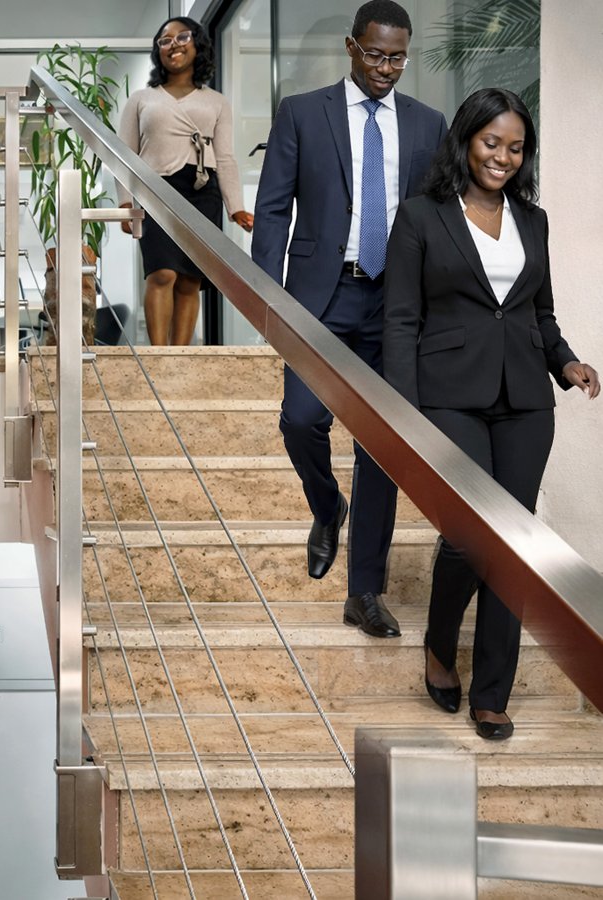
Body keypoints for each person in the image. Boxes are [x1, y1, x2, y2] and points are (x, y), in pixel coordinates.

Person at [383, 88, 599, 739]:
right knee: (470, 537)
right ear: (464, 140)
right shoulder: (420, 216)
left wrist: (565, 361)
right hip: (446, 393)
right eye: (490, 142)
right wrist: (403, 408)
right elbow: (399, 319)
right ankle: (440, 644)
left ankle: (491, 692)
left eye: (514, 147)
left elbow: (539, 311)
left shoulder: (532, 220)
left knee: (513, 543)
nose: (502, 156)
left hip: (525, 401)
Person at [251, 0, 447, 638]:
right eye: (375, 54)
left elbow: (441, 221)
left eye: (397, 56)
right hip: (321, 294)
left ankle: (364, 591)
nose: (387, 67)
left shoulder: (428, 123)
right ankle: (324, 502)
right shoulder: (302, 113)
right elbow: (274, 208)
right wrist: (268, 297)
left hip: (396, 304)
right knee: (301, 418)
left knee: (381, 451)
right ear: (351, 45)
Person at [117, 16, 253, 346]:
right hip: (155, 191)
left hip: (202, 191)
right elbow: (124, 155)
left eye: (182, 37)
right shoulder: (141, 99)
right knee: (162, 272)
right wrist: (125, 203)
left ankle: (180, 360)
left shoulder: (217, 102)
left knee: (191, 280)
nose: (174, 45)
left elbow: (225, 158)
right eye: (165, 40)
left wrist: (236, 207)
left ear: (197, 44)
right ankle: (159, 358)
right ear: (158, 51)